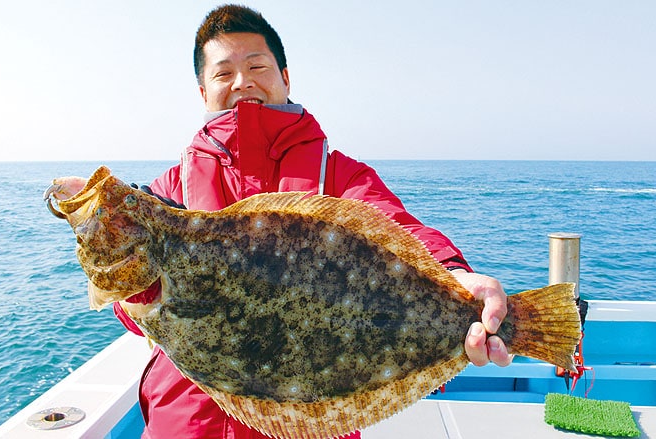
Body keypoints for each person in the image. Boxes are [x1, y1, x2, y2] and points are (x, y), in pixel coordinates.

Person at [113, 4, 512, 438]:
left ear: (285, 76)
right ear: (203, 91)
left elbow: (398, 231)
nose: (242, 81)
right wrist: (131, 286)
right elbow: (135, 313)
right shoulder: (169, 193)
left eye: (256, 65)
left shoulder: (339, 176)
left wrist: (454, 277)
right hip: (188, 425)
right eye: (223, 73)